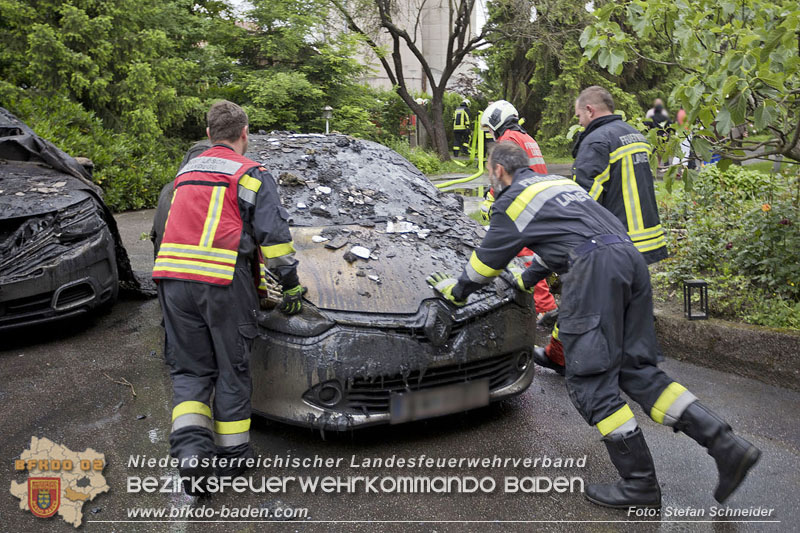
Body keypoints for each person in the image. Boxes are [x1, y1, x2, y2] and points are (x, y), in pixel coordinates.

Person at [427, 140, 760, 509]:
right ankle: (726, 445)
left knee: (590, 380)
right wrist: (526, 279)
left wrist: (457, 291)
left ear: (499, 171)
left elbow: (484, 265)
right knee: (636, 370)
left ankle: (640, 484)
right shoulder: (558, 184)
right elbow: (565, 240)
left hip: (593, 270)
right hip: (628, 260)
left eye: (491, 173)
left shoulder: (512, 200)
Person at [152, 100, 305, 494]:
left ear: (208, 135)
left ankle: (191, 456)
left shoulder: (185, 173)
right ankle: (233, 457)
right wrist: (290, 285)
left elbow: (165, 228)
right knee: (231, 369)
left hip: (172, 280)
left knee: (190, 372)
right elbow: (275, 241)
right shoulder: (251, 174)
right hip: (221, 282)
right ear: (244, 133)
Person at [536, 86, 670, 375]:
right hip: (644, 237)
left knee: (578, 295)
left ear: (590, 110)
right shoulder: (634, 134)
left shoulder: (597, 141)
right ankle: (635, 362)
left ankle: (561, 356)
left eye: (578, 116)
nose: (579, 122)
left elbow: (583, 200)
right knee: (625, 302)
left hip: (614, 240)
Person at [479, 100, 557, 325]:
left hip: (525, 202)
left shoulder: (507, 139)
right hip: (540, 198)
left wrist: (492, 200)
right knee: (541, 251)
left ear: (496, 122)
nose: (491, 134)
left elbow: (503, 174)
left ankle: (545, 307)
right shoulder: (527, 138)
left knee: (525, 252)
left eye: (490, 129)